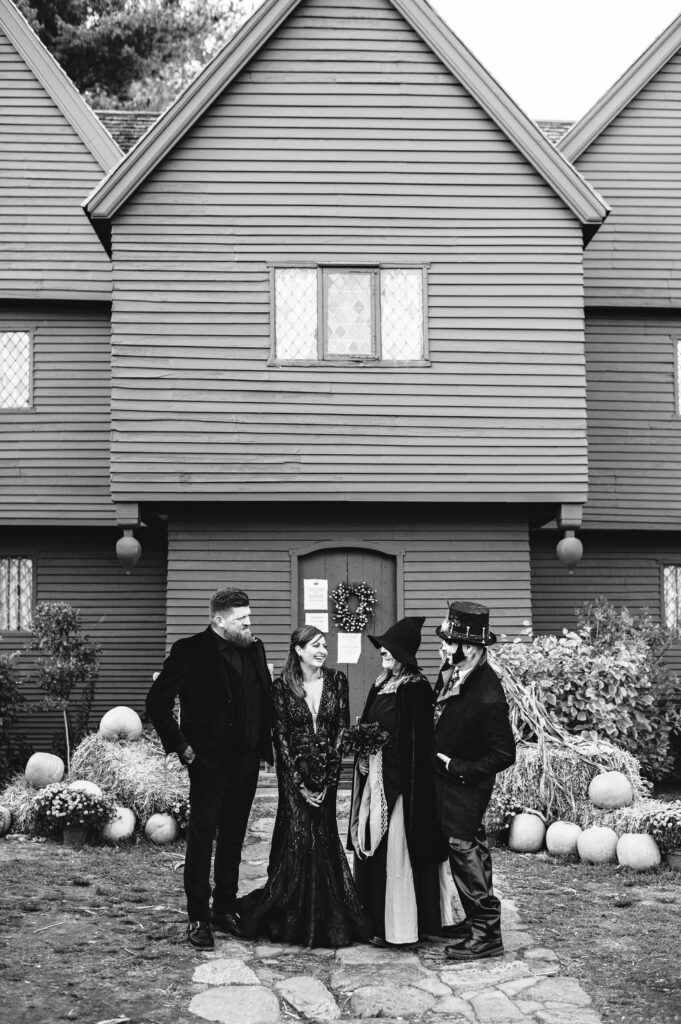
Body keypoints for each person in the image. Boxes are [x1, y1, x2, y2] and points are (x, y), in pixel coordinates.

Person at [146, 588, 274, 950]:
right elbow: (157, 701)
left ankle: (225, 908)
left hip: (247, 761)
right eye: (241, 620)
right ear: (218, 620)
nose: (249, 624)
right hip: (208, 763)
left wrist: (264, 745)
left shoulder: (255, 648)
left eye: (249, 617)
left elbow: (262, 696)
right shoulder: (190, 651)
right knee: (203, 841)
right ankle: (198, 917)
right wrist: (183, 747)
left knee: (234, 838)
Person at [239, 625, 371, 947]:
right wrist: (298, 783)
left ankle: (326, 915)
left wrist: (327, 780)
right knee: (297, 837)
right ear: (298, 650)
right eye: (315, 645)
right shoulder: (281, 688)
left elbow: (340, 729)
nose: (322, 650)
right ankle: (290, 912)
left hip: (325, 775)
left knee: (323, 837)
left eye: (324, 645)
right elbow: (280, 737)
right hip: (293, 776)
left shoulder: (338, 681)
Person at [349, 616, 450, 947]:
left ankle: (401, 926)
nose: (383, 658)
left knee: (397, 850)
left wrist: (384, 757)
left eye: (388, 653)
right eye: (382, 653)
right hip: (375, 777)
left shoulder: (416, 689)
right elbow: (371, 726)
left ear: (403, 655)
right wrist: (363, 753)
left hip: (403, 785)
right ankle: (374, 920)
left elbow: (417, 745)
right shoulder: (381, 683)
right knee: (373, 848)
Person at [432, 600, 516, 961]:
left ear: (469, 647)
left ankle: (486, 936)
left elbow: (505, 754)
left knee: (463, 851)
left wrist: (459, 769)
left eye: (449, 642)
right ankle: (475, 922)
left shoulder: (488, 693)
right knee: (472, 849)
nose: (442, 647)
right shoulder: (453, 672)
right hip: (445, 786)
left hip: (466, 785)